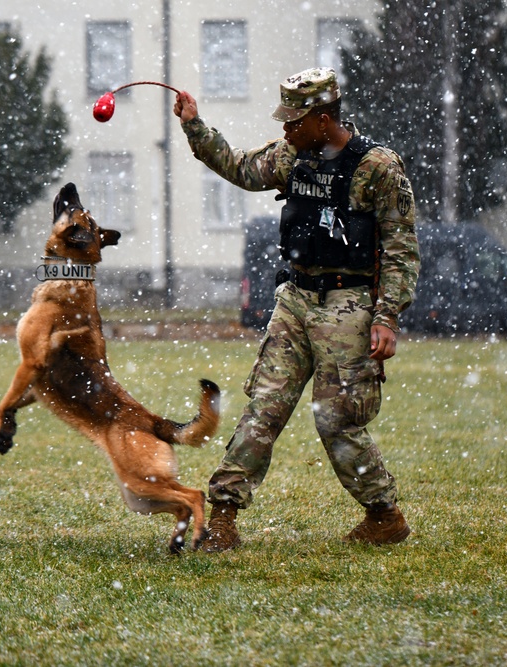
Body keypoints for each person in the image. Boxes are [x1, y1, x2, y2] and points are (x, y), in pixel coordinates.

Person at [173, 68, 419, 550]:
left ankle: (384, 515)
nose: (285, 129)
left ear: (324, 119)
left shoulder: (378, 167)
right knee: (263, 408)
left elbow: (401, 249)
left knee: (337, 419)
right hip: (296, 298)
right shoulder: (293, 155)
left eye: (295, 120)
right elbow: (241, 168)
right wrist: (194, 125)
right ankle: (222, 517)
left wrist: (387, 316)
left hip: (350, 304)